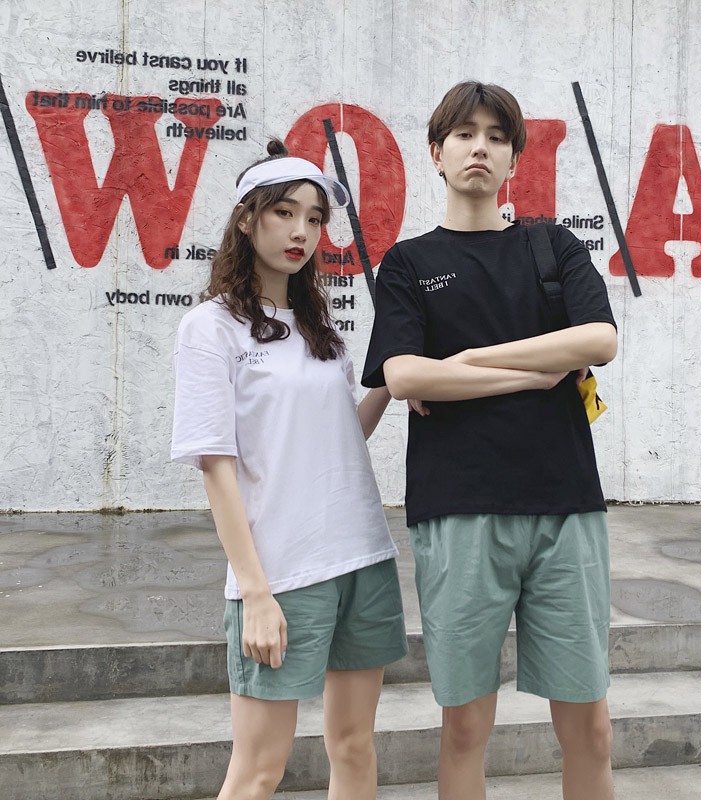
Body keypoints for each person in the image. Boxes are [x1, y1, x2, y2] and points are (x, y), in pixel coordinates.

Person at [362, 81, 618, 800]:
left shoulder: (553, 246)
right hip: (459, 510)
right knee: (466, 728)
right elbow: (405, 375)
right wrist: (533, 372)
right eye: (465, 134)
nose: (481, 147)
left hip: (566, 506)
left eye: (497, 137)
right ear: (436, 153)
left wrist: (469, 362)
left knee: (591, 728)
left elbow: (599, 340)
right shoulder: (408, 263)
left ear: (514, 159)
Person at [171, 140, 407, 800]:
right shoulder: (211, 328)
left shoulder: (317, 328)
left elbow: (339, 439)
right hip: (282, 572)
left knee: (354, 748)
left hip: (363, 558)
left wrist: (390, 382)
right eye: (284, 213)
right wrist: (255, 594)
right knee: (258, 770)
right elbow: (216, 468)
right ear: (246, 219)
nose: (302, 230)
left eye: (314, 217)